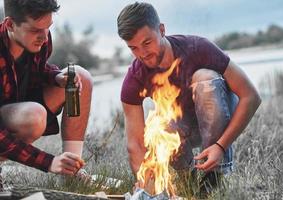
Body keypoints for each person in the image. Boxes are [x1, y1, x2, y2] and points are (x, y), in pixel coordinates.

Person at [117, 2, 261, 193]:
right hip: (184, 128)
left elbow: (251, 96)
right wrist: (146, 183)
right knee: (159, 123)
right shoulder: (134, 78)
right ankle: (189, 181)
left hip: (220, 113)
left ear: (161, 30)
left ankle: (214, 177)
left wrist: (221, 146)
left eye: (147, 43)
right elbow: (134, 144)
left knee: (205, 79)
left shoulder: (198, 48)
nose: (142, 54)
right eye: (133, 48)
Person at [0, 0, 93, 180]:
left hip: (15, 108)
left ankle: (71, 170)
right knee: (35, 116)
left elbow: (37, 70)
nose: (44, 37)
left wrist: (56, 77)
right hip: (8, 123)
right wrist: (49, 162)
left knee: (81, 78)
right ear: (10, 24)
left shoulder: (40, 39)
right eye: (35, 30)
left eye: (47, 27)